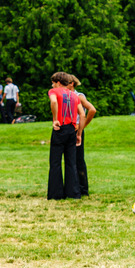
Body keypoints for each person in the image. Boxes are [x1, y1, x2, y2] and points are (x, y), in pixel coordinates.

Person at [47, 72, 85, 200]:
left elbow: (53, 102)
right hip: (71, 130)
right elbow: (82, 114)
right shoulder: (74, 96)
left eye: (53, 83)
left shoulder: (54, 91)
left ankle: (56, 194)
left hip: (60, 128)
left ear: (58, 82)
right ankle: (73, 192)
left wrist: (55, 119)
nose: (52, 85)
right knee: (71, 163)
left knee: (55, 162)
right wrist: (79, 132)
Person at [69, 75, 96, 196]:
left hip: (77, 130)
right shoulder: (65, 96)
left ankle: (83, 189)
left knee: (78, 160)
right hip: (68, 129)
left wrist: (82, 126)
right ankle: (72, 187)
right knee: (71, 160)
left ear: (72, 84)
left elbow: (92, 110)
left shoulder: (78, 96)